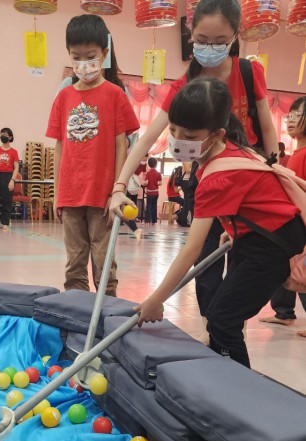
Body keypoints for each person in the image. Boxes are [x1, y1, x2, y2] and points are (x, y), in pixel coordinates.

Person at [110, 0, 278, 323]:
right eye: (202, 40)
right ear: (190, 33)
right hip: (211, 179)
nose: (210, 48)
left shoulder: (248, 71)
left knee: (241, 263)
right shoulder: (184, 85)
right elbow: (147, 138)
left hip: (249, 182)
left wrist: (275, 169)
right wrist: (119, 187)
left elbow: (268, 128)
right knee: (205, 259)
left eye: (219, 41)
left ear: (235, 35)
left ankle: (228, 327)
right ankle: (213, 325)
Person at [130, 78, 306, 369]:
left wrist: (156, 300)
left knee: (223, 320)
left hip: (272, 245)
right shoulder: (230, 149)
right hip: (260, 236)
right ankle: (223, 371)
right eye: (173, 130)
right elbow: (255, 199)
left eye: (190, 135)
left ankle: (237, 387)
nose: (178, 140)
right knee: (221, 315)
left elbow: (192, 249)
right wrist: (235, 228)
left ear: (216, 134)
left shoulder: (218, 176)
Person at [46, 14, 139, 296]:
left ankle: (106, 312)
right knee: (74, 264)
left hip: (103, 196)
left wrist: (117, 190)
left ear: (104, 54)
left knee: (104, 264)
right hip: (71, 194)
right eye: (76, 57)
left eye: (90, 57)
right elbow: (59, 146)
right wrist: (57, 193)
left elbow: (122, 145)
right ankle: (77, 313)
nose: (83, 64)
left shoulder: (115, 94)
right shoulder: (64, 97)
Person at [260, 97, 306, 336]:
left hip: (302, 222)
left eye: (298, 115)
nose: (291, 120)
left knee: (301, 271)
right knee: (287, 265)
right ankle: (283, 312)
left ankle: (284, 312)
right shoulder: (296, 154)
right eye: (290, 115)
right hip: (292, 221)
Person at [142, 157, 162, 224]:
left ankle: (147, 220)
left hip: (149, 193)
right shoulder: (158, 173)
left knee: (149, 206)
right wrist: (156, 184)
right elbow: (160, 183)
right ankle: (154, 221)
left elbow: (146, 183)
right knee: (154, 206)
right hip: (156, 192)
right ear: (156, 165)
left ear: (149, 164)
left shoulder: (148, 173)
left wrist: (144, 184)